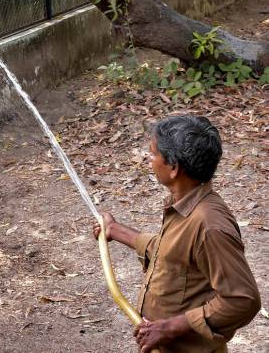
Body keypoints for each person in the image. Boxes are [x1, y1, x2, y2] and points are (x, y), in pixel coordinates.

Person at [93, 115, 261, 353]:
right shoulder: (184, 203)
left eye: (152, 154)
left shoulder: (210, 225)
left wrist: (171, 327)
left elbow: (243, 300)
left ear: (174, 168)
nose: (148, 160)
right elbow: (171, 254)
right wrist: (115, 230)